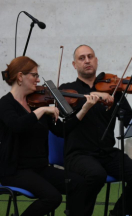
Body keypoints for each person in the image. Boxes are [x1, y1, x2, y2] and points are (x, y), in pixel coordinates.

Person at [59, 44, 132, 216]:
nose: (87, 61)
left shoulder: (114, 90)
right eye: (81, 58)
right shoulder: (67, 91)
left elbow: (131, 122)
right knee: (96, 175)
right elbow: (65, 125)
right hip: (78, 154)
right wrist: (92, 99)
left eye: (90, 56)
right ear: (75, 65)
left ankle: (118, 213)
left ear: (96, 61)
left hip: (107, 153)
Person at [0, 56, 99, 216]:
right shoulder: (6, 104)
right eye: (34, 75)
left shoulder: (37, 103)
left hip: (40, 168)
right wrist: (42, 111)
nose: (38, 80)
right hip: (15, 171)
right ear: (20, 77)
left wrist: (84, 109)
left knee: (79, 184)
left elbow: (62, 130)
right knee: (52, 197)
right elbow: (17, 125)